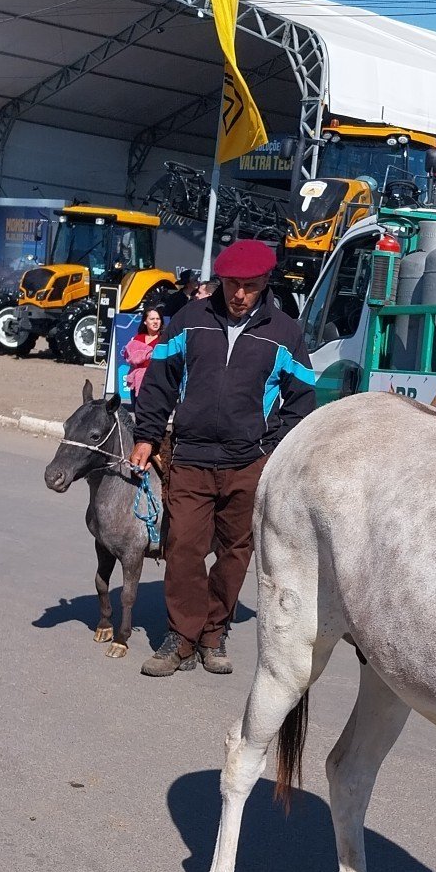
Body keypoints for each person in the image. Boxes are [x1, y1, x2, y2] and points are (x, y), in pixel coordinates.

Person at [128, 238, 314, 678]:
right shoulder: (190, 321)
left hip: (249, 462)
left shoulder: (284, 332)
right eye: (232, 284)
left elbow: (301, 397)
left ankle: (213, 634)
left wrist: (274, 450)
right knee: (184, 547)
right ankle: (181, 637)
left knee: (236, 552)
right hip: (190, 456)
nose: (239, 294)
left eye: (249, 286)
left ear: (265, 282)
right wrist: (147, 436)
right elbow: (159, 382)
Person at [122, 303, 165, 398]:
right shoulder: (138, 338)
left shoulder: (163, 340)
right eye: (152, 319)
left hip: (154, 382)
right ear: (145, 321)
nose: (155, 322)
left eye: (158, 319)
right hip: (136, 381)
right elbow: (127, 354)